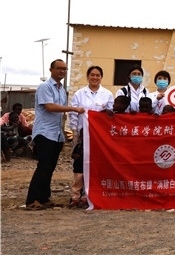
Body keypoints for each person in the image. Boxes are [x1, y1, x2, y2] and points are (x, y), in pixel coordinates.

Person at [24, 59, 85, 210]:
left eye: (64, 69)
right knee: (43, 166)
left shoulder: (62, 89)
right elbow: (50, 107)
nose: (62, 71)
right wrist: (73, 109)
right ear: (51, 70)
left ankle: (44, 198)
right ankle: (32, 199)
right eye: (59, 68)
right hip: (45, 132)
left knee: (50, 167)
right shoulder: (45, 87)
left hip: (57, 134)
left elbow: (60, 114)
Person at [68, 65, 114, 209]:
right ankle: (76, 195)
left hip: (99, 138)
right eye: (92, 75)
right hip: (82, 136)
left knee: (96, 165)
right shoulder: (79, 94)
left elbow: (111, 115)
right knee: (79, 165)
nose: (95, 77)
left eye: (97, 75)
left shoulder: (107, 94)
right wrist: (74, 130)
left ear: (101, 77)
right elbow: (73, 113)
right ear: (88, 76)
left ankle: (90, 195)